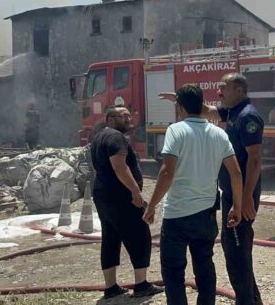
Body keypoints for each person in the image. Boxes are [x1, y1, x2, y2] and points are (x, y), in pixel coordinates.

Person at [160, 72, 265, 305]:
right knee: (232, 249)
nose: (219, 92)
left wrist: (245, 199)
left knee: (238, 252)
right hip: (230, 195)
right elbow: (206, 111)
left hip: (241, 195)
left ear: (239, 90)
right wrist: (180, 99)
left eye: (224, 87)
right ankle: (251, 299)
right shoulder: (234, 112)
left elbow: (255, 160)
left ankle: (247, 301)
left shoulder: (248, 117)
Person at [144, 84, 244, 305]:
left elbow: (167, 171)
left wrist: (151, 206)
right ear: (202, 105)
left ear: (179, 108)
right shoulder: (219, 133)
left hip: (176, 216)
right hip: (205, 216)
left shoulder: (175, 130)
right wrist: (237, 207)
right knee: (205, 267)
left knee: (173, 273)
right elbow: (236, 173)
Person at [90, 106, 163, 299]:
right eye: (124, 116)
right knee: (139, 236)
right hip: (120, 197)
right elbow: (120, 167)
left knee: (110, 238)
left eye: (130, 115)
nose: (129, 119)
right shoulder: (116, 137)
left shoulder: (99, 137)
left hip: (102, 194)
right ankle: (141, 285)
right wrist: (136, 192)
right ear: (110, 120)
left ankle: (111, 287)